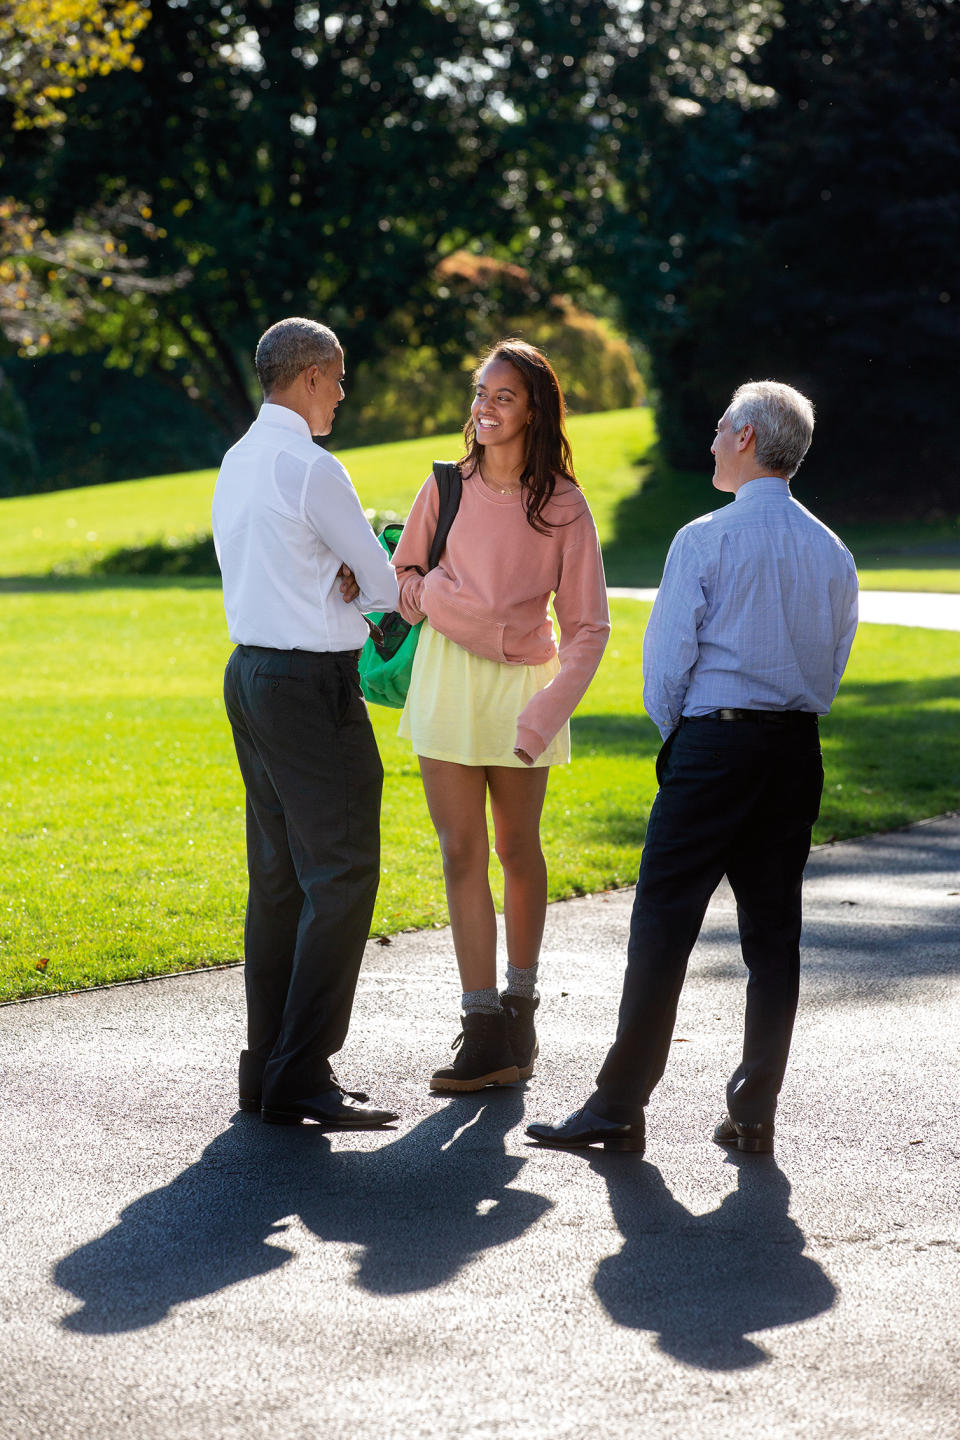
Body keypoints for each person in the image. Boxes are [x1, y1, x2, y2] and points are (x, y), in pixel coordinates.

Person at [527, 379, 859, 1156]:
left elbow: (666, 670)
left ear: (746, 438)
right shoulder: (834, 551)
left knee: (664, 923)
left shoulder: (704, 539)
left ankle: (618, 1104)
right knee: (773, 936)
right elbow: (832, 665)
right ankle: (754, 1108)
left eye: (719, 428)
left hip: (716, 744)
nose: (710, 439)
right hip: (794, 749)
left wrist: (685, 737)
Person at [391, 339, 610, 1092]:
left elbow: (588, 628)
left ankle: (521, 1004)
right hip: (446, 684)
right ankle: (481, 1024)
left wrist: (547, 712)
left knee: (518, 849)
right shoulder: (444, 487)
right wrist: (435, 599)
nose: (484, 407)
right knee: (460, 854)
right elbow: (405, 576)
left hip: (525, 691)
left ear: (534, 410)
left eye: (503, 396)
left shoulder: (564, 505)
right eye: (480, 392)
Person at [212, 317, 400, 1129]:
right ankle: (305, 1070)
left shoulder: (238, 459)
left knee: (282, 876)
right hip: (309, 685)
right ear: (315, 376)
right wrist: (361, 586)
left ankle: (269, 1067)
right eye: (340, 379)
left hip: (249, 674)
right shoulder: (313, 468)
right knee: (345, 870)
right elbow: (387, 586)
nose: (343, 395)